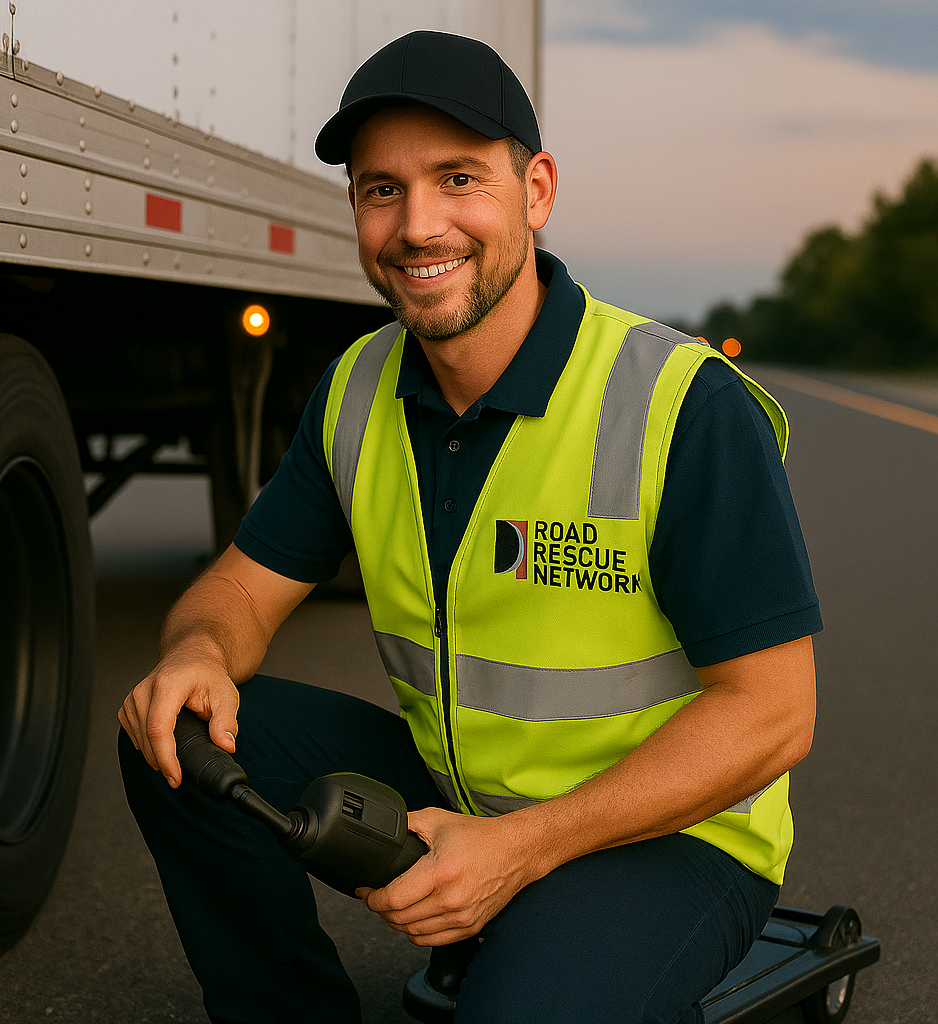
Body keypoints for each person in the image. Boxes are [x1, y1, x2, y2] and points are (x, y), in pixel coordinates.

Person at [119, 30, 821, 1024]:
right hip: (464, 788)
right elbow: (236, 587)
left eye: (457, 178)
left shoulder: (679, 402)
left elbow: (774, 711)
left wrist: (522, 849)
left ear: (535, 192)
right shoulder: (356, 390)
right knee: (178, 725)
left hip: (668, 834)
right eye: (381, 189)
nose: (417, 225)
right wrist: (196, 648)